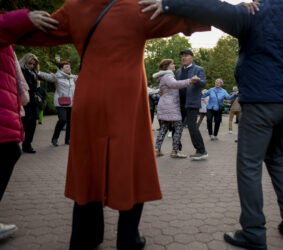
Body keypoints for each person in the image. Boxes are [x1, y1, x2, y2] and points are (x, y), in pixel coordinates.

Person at [140, 0, 283, 249]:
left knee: (249, 164)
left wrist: (169, 3)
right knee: (277, 158)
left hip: (260, 100)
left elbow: (210, 8)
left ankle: (254, 231)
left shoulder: (254, 11)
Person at [17, 1, 209, 249]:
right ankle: (128, 237)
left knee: (88, 163)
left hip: (89, 97)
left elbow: (33, 32)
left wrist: (23, 18)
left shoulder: (75, 8)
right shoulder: (138, 7)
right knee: (130, 161)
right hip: (126, 100)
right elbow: (191, 18)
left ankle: (86, 236)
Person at [0, 8, 58, 240]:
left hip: (9, 102)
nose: (34, 63)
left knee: (9, 150)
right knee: (8, 150)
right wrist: (25, 19)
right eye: (32, 61)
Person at [153, 59, 199, 158]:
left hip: (165, 105)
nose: (174, 65)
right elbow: (175, 84)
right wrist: (190, 81)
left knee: (164, 128)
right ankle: (175, 151)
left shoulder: (162, 77)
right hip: (171, 106)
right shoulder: (168, 76)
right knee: (178, 127)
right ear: (167, 67)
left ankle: (157, 149)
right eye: (172, 64)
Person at [176, 49, 208, 160]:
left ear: (192, 58)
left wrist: (197, 80)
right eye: (182, 56)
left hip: (192, 103)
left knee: (191, 126)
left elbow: (203, 83)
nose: (183, 58)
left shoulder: (198, 69)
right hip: (179, 103)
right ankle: (176, 149)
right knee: (177, 126)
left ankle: (201, 151)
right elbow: (175, 85)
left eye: (186, 55)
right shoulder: (178, 71)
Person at [38, 61, 77, 146]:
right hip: (60, 103)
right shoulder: (57, 77)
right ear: (61, 69)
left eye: (69, 67)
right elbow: (46, 76)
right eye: (67, 67)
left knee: (70, 122)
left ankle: (68, 140)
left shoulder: (72, 77)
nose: (69, 68)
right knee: (63, 120)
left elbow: (82, 77)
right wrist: (38, 71)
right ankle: (55, 138)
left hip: (71, 103)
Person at [19, 53, 43, 153]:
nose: (32, 66)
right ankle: (23, 144)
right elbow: (26, 87)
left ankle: (27, 145)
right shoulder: (21, 72)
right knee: (24, 124)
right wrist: (36, 86)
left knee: (32, 124)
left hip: (33, 102)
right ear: (25, 62)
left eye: (34, 64)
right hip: (24, 101)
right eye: (30, 63)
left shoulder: (34, 73)